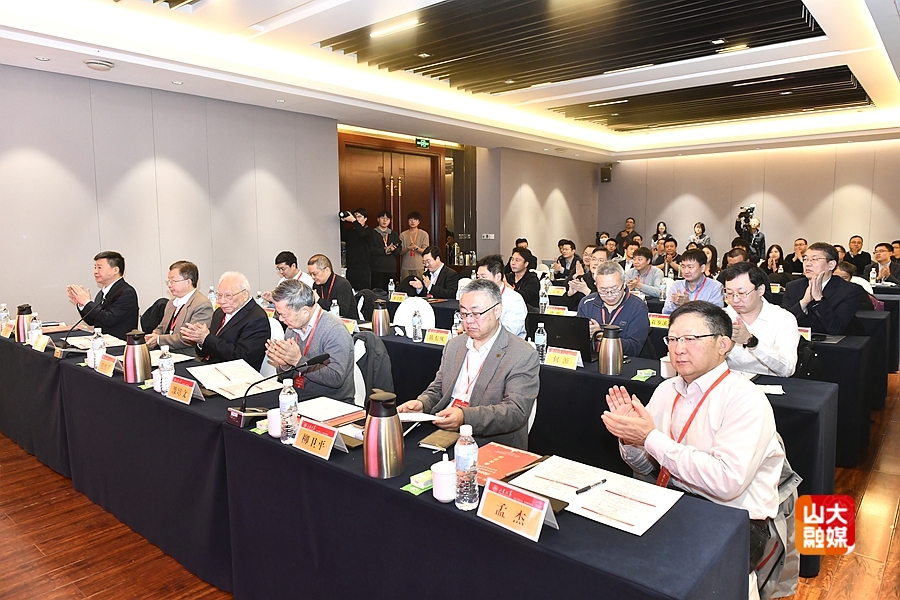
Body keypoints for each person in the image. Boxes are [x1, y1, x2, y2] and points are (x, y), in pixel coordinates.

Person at [601, 301, 784, 597]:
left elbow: (726, 483)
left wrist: (650, 438)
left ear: (723, 344)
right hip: (673, 499)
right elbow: (648, 467)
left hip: (733, 519)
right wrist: (631, 439)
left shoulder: (745, 400)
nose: (679, 349)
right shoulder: (667, 389)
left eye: (691, 339)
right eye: (673, 339)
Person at [397, 279, 540, 450]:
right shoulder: (455, 345)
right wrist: (422, 404)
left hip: (489, 442)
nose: (469, 321)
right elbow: (438, 389)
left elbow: (515, 411)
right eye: (464, 314)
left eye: (476, 313)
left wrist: (465, 417)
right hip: (443, 431)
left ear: (497, 311)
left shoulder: (522, 354)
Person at [265, 279, 355, 403]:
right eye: (278, 314)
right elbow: (286, 377)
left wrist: (297, 361)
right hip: (299, 397)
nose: (281, 319)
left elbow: (336, 378)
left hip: (332, 402)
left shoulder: (334, 330)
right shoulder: (292, 329)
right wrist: (285, 366)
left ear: (305, 312)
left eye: (284, 315)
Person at [721, 263, 798, 377]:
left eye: (742, 293)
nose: (735, 300)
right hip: (729, 382)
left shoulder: (783, 318)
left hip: (768, 383)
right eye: (729, 293)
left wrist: (751, 342)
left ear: (761, 290)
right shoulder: (721, 317)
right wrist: (724, 350)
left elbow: (787, 369)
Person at [181, 271, 269, 370]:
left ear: (245, 294)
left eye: (228, 296)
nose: (221, 301)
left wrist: (206, 338)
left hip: (235, 372)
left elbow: (243, 357)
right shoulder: (219, 312)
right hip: (211, 367)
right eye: (219, 295)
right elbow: (206, 350)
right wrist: (200, 341)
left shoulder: (256, 318)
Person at [783, 242, 863, 335]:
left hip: (834, 342)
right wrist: (804, 302)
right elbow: (782, 323)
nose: (807, 264)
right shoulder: (792, 287)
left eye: (814, 259)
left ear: (831, 265)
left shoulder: (849, 291)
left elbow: (836, 328)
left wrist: (819, 300)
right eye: (805, 259)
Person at [577, 261, 650, 357]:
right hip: (593, 359)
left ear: (624, 283)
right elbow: (578, 342)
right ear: (596, 285)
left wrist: (601, 335)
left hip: (625, 361)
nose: (609, 295)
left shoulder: (638, 307)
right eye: (603, 290)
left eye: (615, 289)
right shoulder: (587, 303)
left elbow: (633, 348)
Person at [66, 250, 139, 341]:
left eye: (99, 267)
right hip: (101, 343)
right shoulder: (101, 293)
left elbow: (110, 320)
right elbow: (91, 321)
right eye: (95, 267)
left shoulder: (126, 292)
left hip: (119, 344)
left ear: (115, 270)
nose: (95, 271)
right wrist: (81, 304)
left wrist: (87, 303)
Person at [146, 261, 214, 350]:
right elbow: (162, 327)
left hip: (187, 355)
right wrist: (155, 334)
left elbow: (189, 337)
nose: (169, 285)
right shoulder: (171, 303)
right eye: (168, 281)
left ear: (188, 282)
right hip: (167, 352)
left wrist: (159, 339)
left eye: (173, 281)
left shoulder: (202, 304)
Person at [475, 254, 527, 338]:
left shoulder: (514, 299)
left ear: (498, 277)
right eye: (478, 277)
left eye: (483, 277)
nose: (479, 282)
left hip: (507, 344)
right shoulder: (478, 297)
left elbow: (509, 332)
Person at [662, 248, 724, 314]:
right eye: (683, 267)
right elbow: (665, 312)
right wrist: (675, 304)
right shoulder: (677, 286)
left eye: (690, 267)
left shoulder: (715, 287)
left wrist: (688, 304)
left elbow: (716, 315)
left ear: (702, 268)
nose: (686, 271)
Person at [307, 254, 359, 319]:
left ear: (327, 270)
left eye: (315, 274)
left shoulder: (342, 284)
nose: (312, 277)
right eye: (310, 274)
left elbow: (342, 312)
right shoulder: (316, 285)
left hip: (347, 322)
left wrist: (319, 300)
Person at [340, 208, 374, 291]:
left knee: (364, 291)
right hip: (351, 266)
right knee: (350, 290)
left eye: (359, 216)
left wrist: (354, 221)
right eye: (355, 216)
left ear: (365, 219)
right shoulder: (350, 231)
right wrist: (342, 221)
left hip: (364, 267)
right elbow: (341, 235)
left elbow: (363, 234)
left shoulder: (369, 231)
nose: (357, 219)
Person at [371, 210, 402, 292]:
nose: (385, 221)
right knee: (377, 292)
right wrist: (383, 250)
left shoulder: (393, 234)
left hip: (391, 268)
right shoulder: (372, 233)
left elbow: (399, 250)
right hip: (377, 268)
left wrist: (393, 249)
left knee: (390, 291)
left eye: (387, 219)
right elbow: (369, 250)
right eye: (382, 218)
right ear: (378, 219)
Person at [399, 211, 429, 278]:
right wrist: (408, 248)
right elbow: (400, 252)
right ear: (408, 221)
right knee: (405, 284)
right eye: (411, 219)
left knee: (419, 283)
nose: (412, 221)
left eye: (415, 219)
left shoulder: (424, 234)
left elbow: (426, 251)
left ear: (418, 222)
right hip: (406, 266)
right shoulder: (403, 235)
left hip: (419, 266)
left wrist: (416, 248)